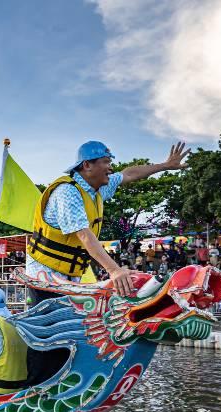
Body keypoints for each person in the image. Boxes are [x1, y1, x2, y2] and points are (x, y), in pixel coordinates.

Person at [24, 141, 188, 385]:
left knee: (70, 332)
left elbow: (130, 173)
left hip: (70, 277)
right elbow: (84, 235)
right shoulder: (68, 193)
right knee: (47, 332)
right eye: (106, 163)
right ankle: (35, 387)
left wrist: (165, 165)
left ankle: (59, 380)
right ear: (87, 165)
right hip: (45, 274)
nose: (110, 168)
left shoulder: (97, 188)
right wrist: (114, 270)